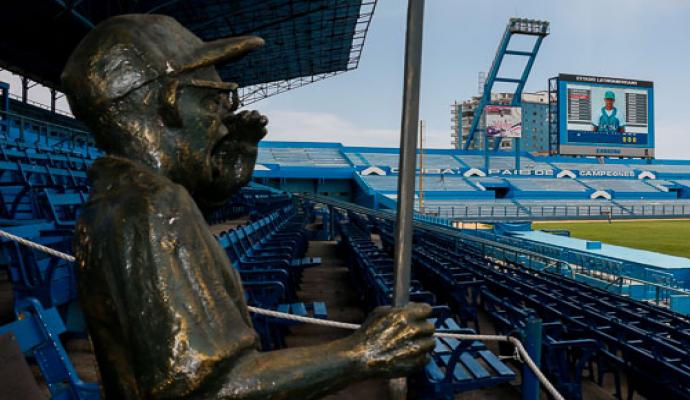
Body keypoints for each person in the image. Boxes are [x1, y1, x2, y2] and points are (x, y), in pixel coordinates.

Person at [61, 14, 434, 399]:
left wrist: (228, 171)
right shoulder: (154, 209)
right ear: (170, 102)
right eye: (213, 101)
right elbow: (212, 388)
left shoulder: (119, 199)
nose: (224, 124)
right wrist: (365, 352)